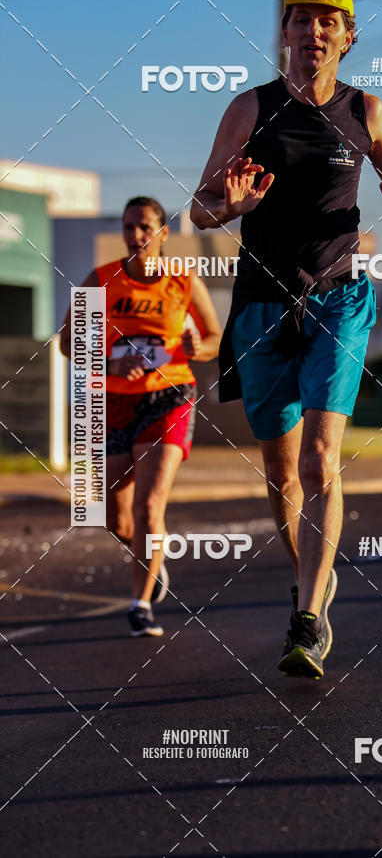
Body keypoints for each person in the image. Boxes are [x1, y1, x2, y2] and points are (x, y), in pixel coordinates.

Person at [190, 0, 382, 679]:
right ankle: (314, 580)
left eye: (327, 23)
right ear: (285, 34)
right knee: (278, 470)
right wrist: (227, 208)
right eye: (300, 20)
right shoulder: (250, 108)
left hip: (338, 299)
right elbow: (202, 206)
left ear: (347, 39)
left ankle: (306, 616)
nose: (312, 32)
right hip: (263, 305)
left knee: (321, 458)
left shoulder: (367, 110)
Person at [60, 196, 221, 636]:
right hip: (112, 401)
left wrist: (198, 349)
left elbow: (214, 338)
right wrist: (109, 364)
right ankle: (150, 562)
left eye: (145, 227)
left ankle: (140, 605)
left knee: (151, 504)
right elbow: (67, 343)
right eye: (129, 227)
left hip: (168, 396)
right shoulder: (102, 280)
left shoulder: (182, 281)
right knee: (114, 516)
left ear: (162, 232)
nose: (136, 235)